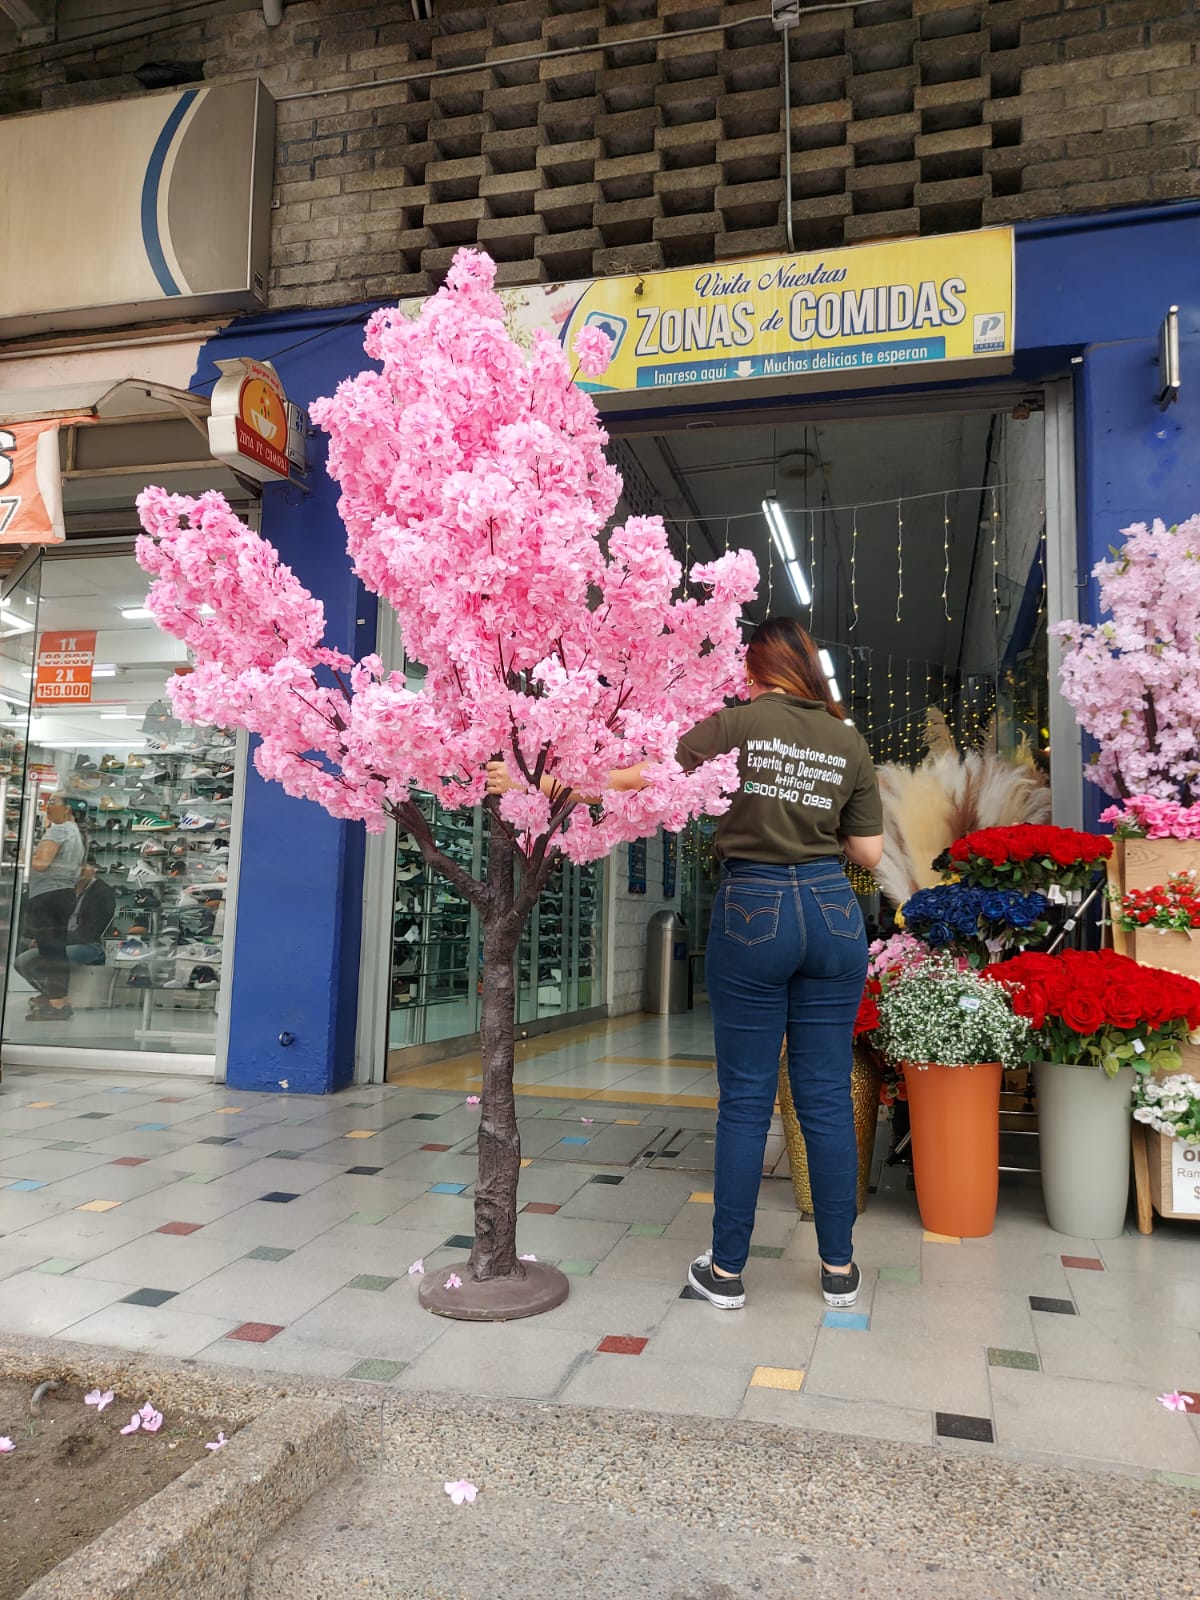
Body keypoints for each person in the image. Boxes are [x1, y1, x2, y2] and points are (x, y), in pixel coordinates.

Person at [486, 616, 883, 1312]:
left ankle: (727, 1272)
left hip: (754, 908)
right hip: (831, 910)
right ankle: (840, 1270)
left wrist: (546, 783)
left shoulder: (736, 725)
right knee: (822, 1095)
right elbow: (870, 853)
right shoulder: (846, 739)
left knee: (747, 1099)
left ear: (757, 668)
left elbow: (639, 779)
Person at [19, 792, 88, 1021]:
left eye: (53, 803)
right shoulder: (77, 833)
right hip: (63, 894)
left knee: (50, 951)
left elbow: (41, 864)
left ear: (67, 808)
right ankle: (59, 1000)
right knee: (55, 949)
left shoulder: (58, 830)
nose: (47, 806)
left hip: (47, 896)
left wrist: (22, 855)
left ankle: (57, 1004)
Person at [19, 864, 115, 1021]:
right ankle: (51, 995)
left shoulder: (102, 892)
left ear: (91, 870)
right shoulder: (64, 889)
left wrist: (54, 939)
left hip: (89, 945)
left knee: (43, 958)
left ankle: (57, 1001)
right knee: (23, 960)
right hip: (62, 939)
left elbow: (91, 932)